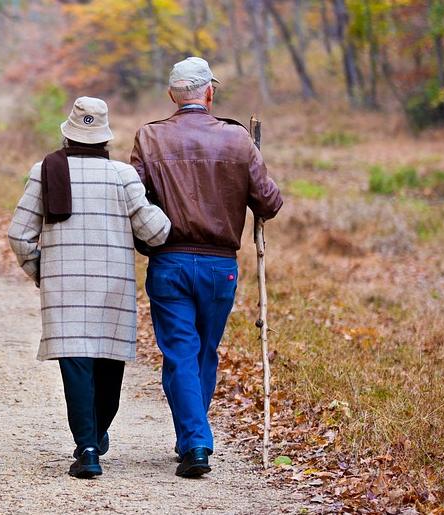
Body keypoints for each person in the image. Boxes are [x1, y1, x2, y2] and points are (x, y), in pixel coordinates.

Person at [130, 57, 283, 478]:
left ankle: (193, 440)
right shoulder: (237, 140)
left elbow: (132, 197)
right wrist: (251, 161)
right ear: (209, 93)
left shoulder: (149, 137)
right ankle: (194, 439)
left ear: (171, 96)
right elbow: (270, 202)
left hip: (170, 260)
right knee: (203, 351)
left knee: (180, 352)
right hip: (220, 267)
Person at [8, 96, 171, 479]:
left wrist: (41, 271)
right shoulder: (123, 176)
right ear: (105, 139)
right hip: (112, 287)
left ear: (67, 135)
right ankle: (95, 436)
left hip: (63, 289)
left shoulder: (45, 171)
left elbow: (19, 234)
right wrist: (161, 206)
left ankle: (88, 447)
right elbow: (156, 232)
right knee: (108, 366)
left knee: (76, 365)